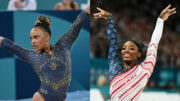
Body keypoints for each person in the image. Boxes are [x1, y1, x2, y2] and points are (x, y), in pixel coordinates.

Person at [0, 6, 90, 101]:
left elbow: (79, 22)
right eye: (31, 39)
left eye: (36, 37)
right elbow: (9, 45)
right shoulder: (32, 56)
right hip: (42, 99)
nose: (32, 42)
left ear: (46, 36)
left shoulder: (63, 46)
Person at [93, 5, 176, 101]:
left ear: (139, 54)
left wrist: (160, 21)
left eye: (131, 48)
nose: (126, 50)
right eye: (124, 48)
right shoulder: (114, 64)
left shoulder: (145, 69)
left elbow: (154, 42)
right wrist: (110, 18)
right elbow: (113, 40)